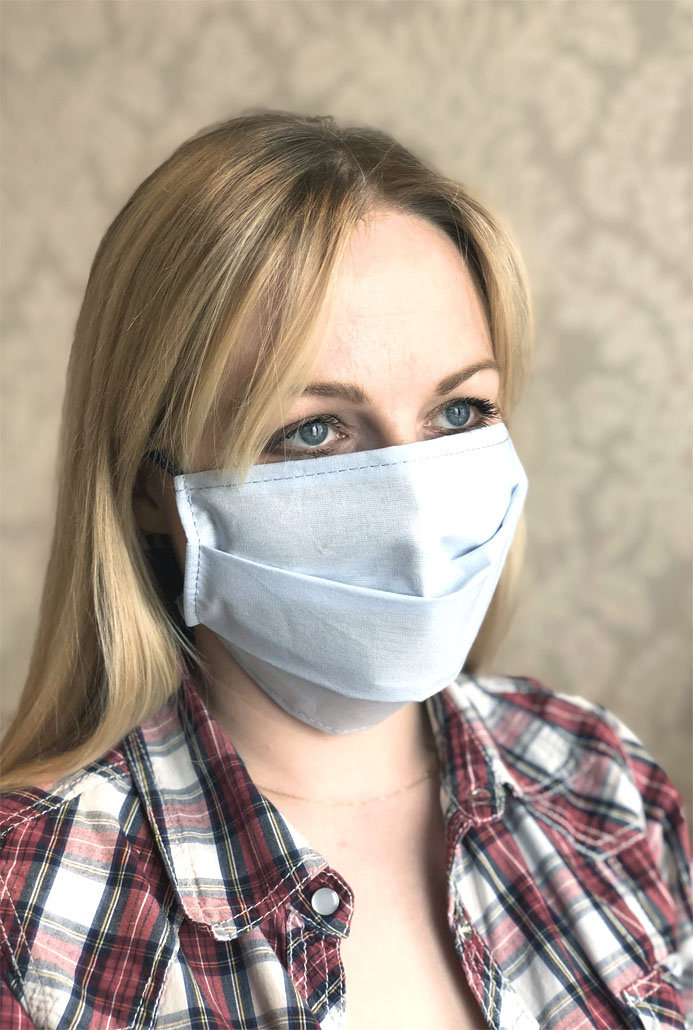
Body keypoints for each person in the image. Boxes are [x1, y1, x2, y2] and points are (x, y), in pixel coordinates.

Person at [0, 109, 690, 1030]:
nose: (413, 504)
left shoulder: (599, 779)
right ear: (148, 490)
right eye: (313, 430)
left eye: (458, 413)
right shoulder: (31, 908)